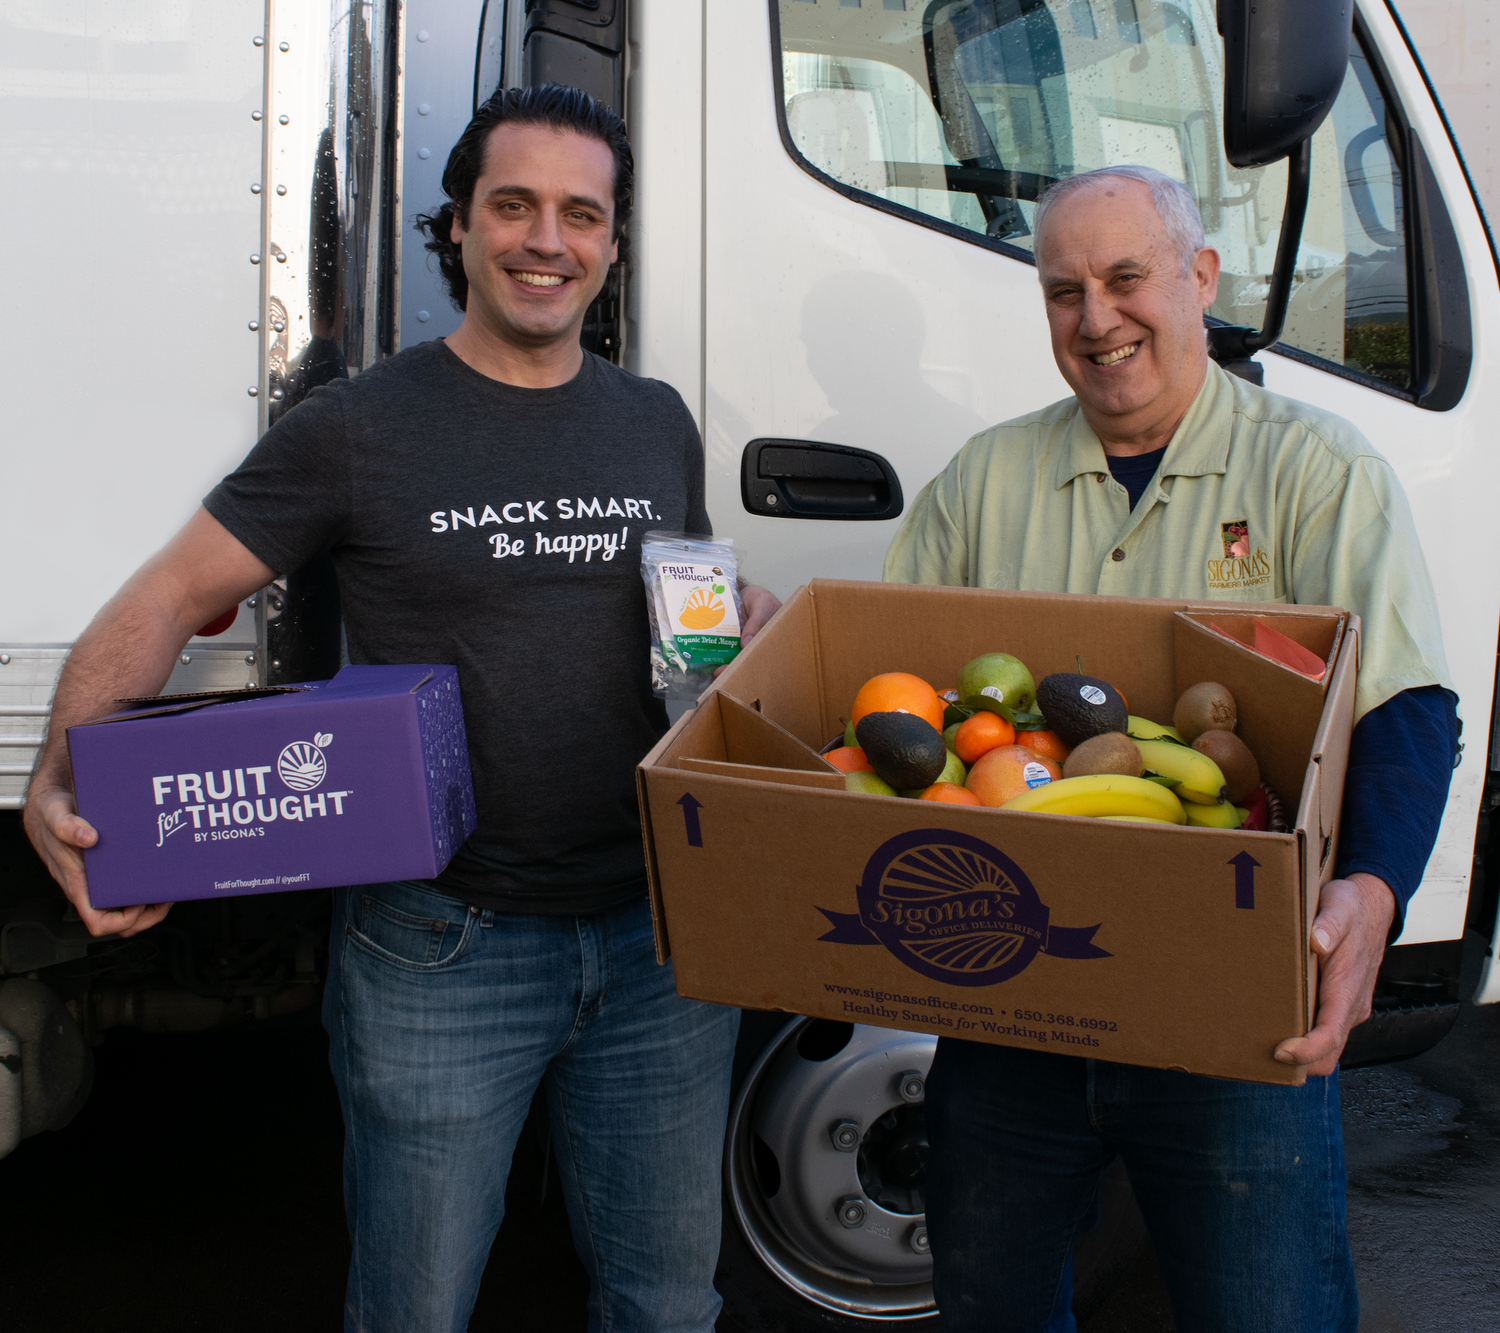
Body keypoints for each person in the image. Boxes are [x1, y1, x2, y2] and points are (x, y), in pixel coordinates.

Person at [24, 85, 779, 1333]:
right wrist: (67, 776)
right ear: (461, 228)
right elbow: (166, 597)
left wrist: (733, 614)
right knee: (414, 1308)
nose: (549, 240)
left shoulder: (655, 421)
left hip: (658, 943)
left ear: (612, 240)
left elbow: (678, 619)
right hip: (443, 948)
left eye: (580, 214)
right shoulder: (361, 427)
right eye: (515, 206)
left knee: (665, 1301)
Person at [883, 164, 1457, 1332]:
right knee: (989, 1307)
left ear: (1201, 278)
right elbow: (887, 682)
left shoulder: (1315, 470)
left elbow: (1404, 702)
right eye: (1063, 291)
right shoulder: (988, 478)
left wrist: (1374, 888)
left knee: (1269, 1311)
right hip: (1010, 997)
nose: (1096, 319)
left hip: (1233, 1003)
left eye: (1127, 278)